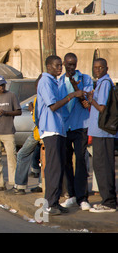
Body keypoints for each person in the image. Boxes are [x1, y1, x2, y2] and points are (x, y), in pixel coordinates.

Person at [37, 55, 85, 215]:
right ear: (48, 66)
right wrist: (71, 95)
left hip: (59, 128)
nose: (60, 68)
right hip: (50, 129)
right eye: (57, 65)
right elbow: (52, 106)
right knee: (53, 168)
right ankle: (49, 204)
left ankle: (55, 202)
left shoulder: (54, 81)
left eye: (60, 66)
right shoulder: (45, 81)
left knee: (59, 167)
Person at [58, 53, 93, 211]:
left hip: (80, 125)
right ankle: (71, 195)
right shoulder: (58, 81)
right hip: (64, 127)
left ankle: (82, 197)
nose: (72, 67)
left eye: (74, 64)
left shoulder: (85, 79)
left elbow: (86, 103)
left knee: (80, 160)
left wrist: (76, 87)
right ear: (64, 63)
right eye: (69, 64)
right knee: (65, 161)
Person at [86, 58, 117, 213]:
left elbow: (102, 108)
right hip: (99, 132)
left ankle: (109, 203)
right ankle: (107, 200)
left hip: (103, 132)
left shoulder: (105, 83)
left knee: (103, 167)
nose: (97, 70)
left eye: (100, 67)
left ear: (106, 68)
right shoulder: (101, 82)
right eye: (95, 67)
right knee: (100, 167)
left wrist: (92, 100)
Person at [0, 75, 21, 191]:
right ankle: (0, 184)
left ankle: (14, 183)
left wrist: (6, 112)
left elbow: (18, 112)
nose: (2, 87)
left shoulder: (12, 96)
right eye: (0, 85)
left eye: (3, 84)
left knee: (12, 158)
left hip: (8, 132)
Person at [12, 75, 42, 195]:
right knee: (44, 159)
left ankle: (20, 186)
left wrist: (31, 110)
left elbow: (37, 120)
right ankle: (41, 184)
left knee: (22, 155)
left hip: (38, 134)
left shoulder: (39, 98)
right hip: (45, 133)